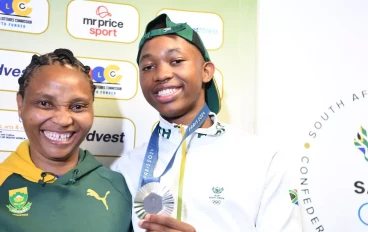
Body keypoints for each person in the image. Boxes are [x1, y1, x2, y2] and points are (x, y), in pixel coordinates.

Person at [112, 14, 302, 232]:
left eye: (176, 61)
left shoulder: (264, 159)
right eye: (148, 66)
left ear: (206, 71)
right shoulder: (124, 168)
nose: (161, 74)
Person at [0, 49, 132, 232]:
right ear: (20, 104)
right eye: (45, 103)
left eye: (77, 106)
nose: (63, 120)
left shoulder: (120, 188)